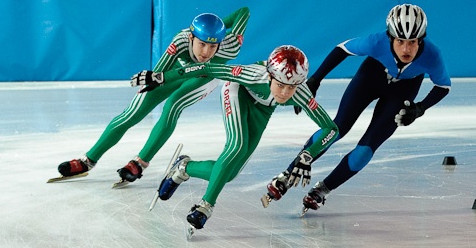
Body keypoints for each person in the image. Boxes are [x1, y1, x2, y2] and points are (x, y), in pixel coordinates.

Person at [131, 45, 338, 232]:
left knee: (229, 174)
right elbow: (207, 69)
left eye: (291, 87)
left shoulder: (300, 92)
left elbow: (331, 129)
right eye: (280, 85)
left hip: (263, 109)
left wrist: (307, 155)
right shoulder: (251, 74)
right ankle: (205, 206)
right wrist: (162, 77)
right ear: (269, 76)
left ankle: (185, 167)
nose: (285, 93)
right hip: (237, 91)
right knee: (236, 145)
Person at [55, 7, 250, 185]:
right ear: (191, 37)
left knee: (173, 105)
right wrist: (212, 29)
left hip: (202, 79)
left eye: (212, 46)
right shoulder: (181, 40)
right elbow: (159, 73)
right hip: (175, 72)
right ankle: (88, 160)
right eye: (202, 43)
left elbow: (244, 11)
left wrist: (216, 32)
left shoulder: (230, 45)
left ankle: (141, 162)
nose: (207, 52)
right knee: (132, 112)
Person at [286, 4, 451, 214]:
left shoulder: (432, 55)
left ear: (421, 40)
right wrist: (315, 80)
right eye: (400, 41)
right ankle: (290, 171)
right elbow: (342, 49)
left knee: (365, 151)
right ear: (390, 38)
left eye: (413, 42)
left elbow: (443, 86)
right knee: (336, 129)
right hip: (371, 78)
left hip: (403, 92)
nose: (406, 49)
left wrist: (419, 108)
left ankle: (324, 189)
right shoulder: (376, 42)